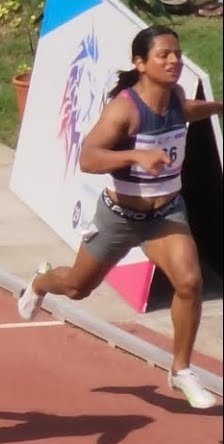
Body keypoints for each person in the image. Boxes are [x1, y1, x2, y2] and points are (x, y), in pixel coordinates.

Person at [16, 26, 221, 409]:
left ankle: (180, 369)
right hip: (119, 217)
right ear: (140, 63)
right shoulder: (124, 110)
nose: (174, 61)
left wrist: (219, 107)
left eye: (177, 54)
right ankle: (40, 281)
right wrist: (135, 155)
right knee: (77, 287)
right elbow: (89, 157)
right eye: (164, 55)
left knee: (190, 282)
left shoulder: (177, 97)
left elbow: (188, 111)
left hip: (166, 214)